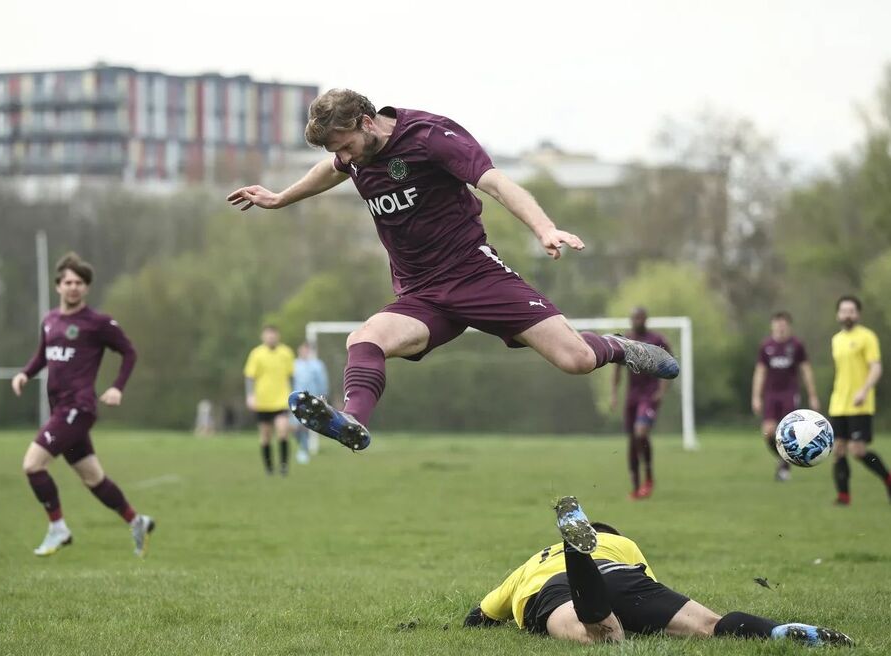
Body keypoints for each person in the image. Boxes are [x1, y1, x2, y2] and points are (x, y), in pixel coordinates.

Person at [228, 89, 678, 452]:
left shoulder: (430, 137)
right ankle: (351, 421)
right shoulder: (353, 155)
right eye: (339, 152)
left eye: (347, 147)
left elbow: (496, 182)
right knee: (363, 339)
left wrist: (544, 228)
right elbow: (330, 170)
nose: (348, 159)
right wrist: (280, 197)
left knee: (576, 360)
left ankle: (620, 348)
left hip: (475, 276)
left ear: (367, 122)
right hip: (421, 296)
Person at [464, 496, 853, 647]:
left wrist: (476, 623)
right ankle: (777, 631)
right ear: (607, 535)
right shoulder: (624, 545)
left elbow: (481, 614)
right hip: (621, 572)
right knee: (709, 625)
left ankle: (576, 556)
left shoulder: (529, 564)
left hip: (552, 589)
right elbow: (646, 587)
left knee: (602, 635)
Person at [11, 252, 154, 557]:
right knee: (93, 478)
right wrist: (25, 374)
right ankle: (136, 520)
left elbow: (129, 352)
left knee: (32, 465)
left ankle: (58, 528)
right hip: (60, 408)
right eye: (68, 282)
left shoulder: (97, 323)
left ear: (86, 288)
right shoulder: (50, 320)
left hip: (78, 408)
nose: (73, 287)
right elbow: (42, 356)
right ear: (58, 286)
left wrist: (117, 388)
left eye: (79, 282)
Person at [828, 296, 891, 506]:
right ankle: (843, 497)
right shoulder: (836, 340)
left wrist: (864, 390)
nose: (847, 314)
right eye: (843, 311)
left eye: (851, 311)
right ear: (838, 315)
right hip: (838, 403)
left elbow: (876, 367)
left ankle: (890, 480)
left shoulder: (867, 337)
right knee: (838, 450)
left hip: (860, 403)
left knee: (858, 451)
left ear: (858, 314)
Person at [750, 311, 820, 481]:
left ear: (788, 326)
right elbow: (760, 372)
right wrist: (756, 397)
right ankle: (783, 459)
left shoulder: (796, 345)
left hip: (789, 394)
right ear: (772, 325)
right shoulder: (766, 346)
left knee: (787, 432)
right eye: (777, 324)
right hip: (771, 395)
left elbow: (806, 370)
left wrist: (812, 395)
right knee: (768, 432)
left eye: (783, 324)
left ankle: (784, 465)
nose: (780, 327)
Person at [610, 307, 670, 499]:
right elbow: (617, 370)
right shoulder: (626, 341)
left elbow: (669, 366)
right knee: (632, 441)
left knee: (640, 432)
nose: (637, 320)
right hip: (632, 396)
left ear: (646, 319)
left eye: (640, 317)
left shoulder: (657, 341)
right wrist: (613, 394)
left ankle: (649, 477)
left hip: (649, 395)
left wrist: (661, 390)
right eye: (634, 317)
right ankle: (636, 487)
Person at [244, 325, 296, 476]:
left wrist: (293, 396)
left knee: (282, 431)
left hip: (281, 400)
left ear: (278, 336)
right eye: (268, 335)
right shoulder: (256, 354)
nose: (271, 338)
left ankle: (284, 466)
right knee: (265, 436)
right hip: (263, 401)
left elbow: (291, 376)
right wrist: (250, 396)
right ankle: (268, 467)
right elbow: (249, 377)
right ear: (263, 337)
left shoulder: (286, 353)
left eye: (273, 335)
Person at [292, 342, 329, 464]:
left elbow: (322, 382)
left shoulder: (317, 365)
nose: (304, 352)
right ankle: (303, 446)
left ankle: (304, 450)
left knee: (305, 425)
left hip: (311, 400)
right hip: (296, 399)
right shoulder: (294, 364)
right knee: (294, 427)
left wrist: (322, 397)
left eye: (307, 350)